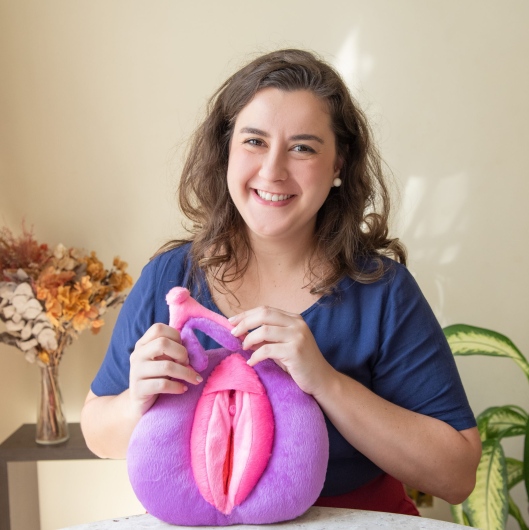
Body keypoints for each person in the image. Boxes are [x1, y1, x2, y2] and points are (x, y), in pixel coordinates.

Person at [81, 48, 481, 515]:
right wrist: (137, 399)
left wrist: (326, 382)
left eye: (303, 148)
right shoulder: (168, 278)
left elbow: (456, 477)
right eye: (254, 141)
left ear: (338, 165)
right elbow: (97, 435)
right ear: (226, 150)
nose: (272, 170)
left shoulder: (383, 291)